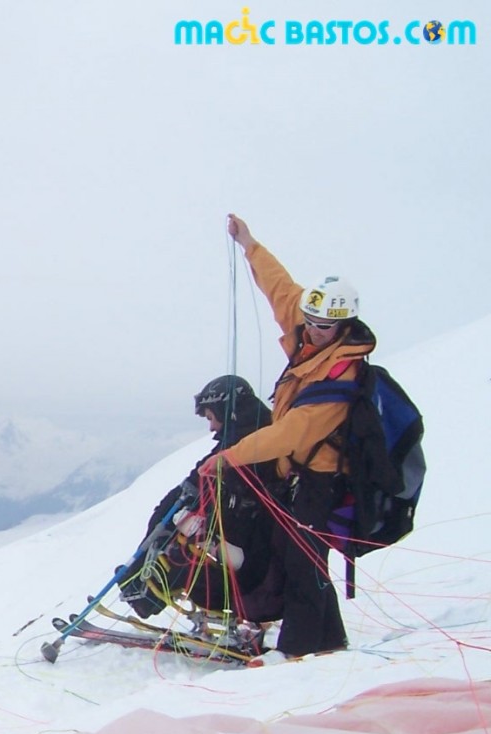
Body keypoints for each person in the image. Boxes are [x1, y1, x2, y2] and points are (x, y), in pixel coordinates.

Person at [199, 213, 377, 663]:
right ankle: (330, 640)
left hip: (320, 478)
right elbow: (280, 286)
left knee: (303, 556)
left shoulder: (343, 373)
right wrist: (250, 244)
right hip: (296, 473)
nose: (314, 329)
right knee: (299, 551)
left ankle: (297, 650)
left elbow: (291, 432)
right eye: (312, 320)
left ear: (344, 325)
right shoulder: (309, 330)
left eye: (324, 326)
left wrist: (229, 457)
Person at [119, 374, 282, 624]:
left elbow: (202, 491)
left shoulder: (243, 450)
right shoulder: (254, 440)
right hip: (262, 567)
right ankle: (138, 587)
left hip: (254, 578)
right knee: (179, 537)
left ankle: (141, 596)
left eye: (210, 417)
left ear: (225, 411)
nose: (211, 427)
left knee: (177, 558)